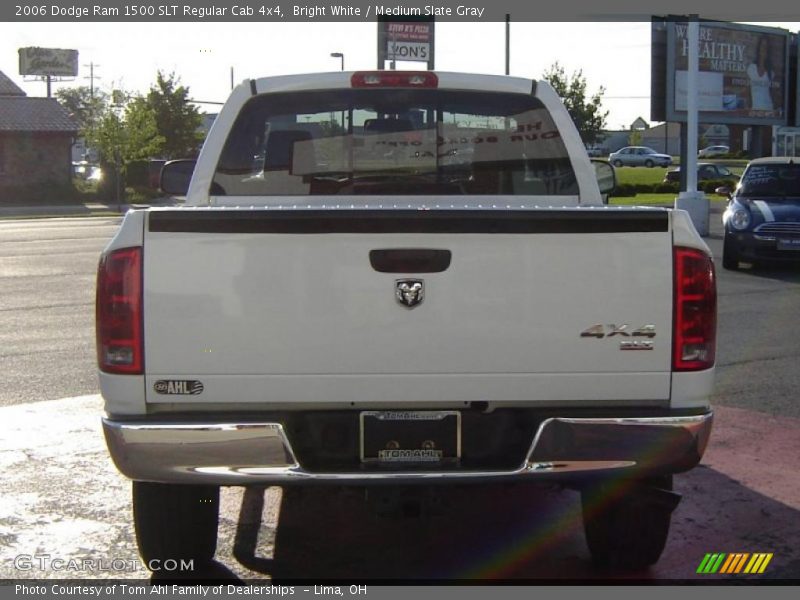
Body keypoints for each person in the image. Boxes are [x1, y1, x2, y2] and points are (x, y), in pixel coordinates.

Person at [747, 37, 775, 111]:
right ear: (759, 48)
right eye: (762, 46)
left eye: (766, 47)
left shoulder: (771, 72)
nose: (763, 49)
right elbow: (747, 91)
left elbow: (772, 93)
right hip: (755, 110)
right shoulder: (751, 68)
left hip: (768, 109)